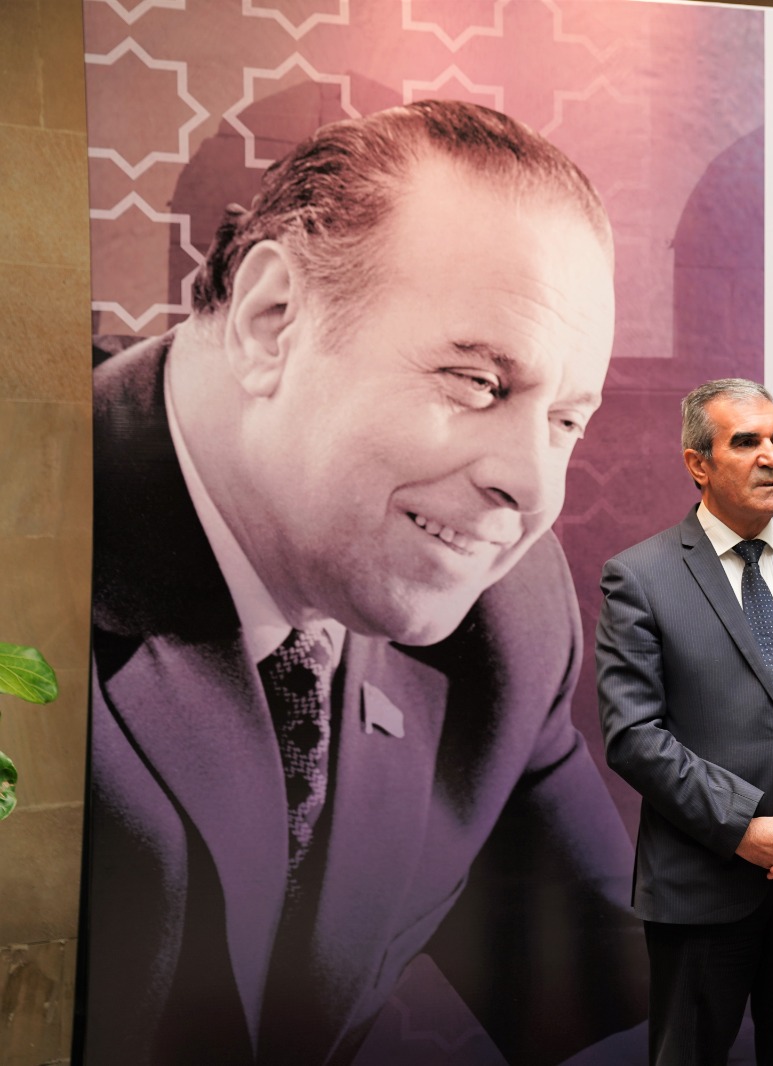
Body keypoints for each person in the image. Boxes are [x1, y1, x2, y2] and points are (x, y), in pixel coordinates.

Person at [85, 100, 644, 1066]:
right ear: (272, 321)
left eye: (565, 421)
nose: (532, 486)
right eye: (478, 382)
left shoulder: (507, 615)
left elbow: (621, 1004)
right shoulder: (32, 535)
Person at [595, 379, 773, 1066]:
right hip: (702, 885)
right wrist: (742, 826)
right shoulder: (640, 576)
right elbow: (633, 735)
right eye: (746, 442)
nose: (771, 457)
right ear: (698, 463)